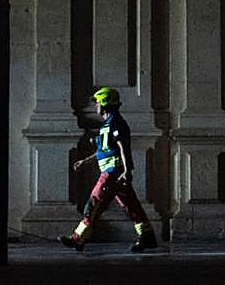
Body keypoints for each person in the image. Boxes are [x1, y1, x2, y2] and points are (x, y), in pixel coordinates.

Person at [59, 86, 159, 252]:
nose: (96, 106)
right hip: (113, 172)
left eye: (97, 103)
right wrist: (85, 161)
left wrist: (127, 171)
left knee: (94, 203)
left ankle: (78, 238)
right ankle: (147, 236)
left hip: (113, 173)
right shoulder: (107, 125)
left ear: (105, 104)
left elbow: (123, 148)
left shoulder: (117, 123)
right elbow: (103, 151)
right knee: (131, 205)